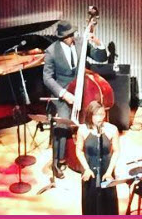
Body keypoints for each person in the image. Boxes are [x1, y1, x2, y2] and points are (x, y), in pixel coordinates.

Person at [43, 20, 108, 178]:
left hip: (82, 90)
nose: (71, 38)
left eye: (72, 35)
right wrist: (64, 94)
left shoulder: (81, 43)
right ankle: (57, 161)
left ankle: (92, 153)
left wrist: (99, 45)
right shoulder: (51, 51)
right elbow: (47, 78)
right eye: (68, 36)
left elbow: (101, 58)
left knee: (92, 116)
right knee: (64, 122)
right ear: (61, 37)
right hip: (63, 94)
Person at [75, 100, 120, 215]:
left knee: (108, 201)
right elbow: (79, 150)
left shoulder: (112, 129)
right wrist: (86, 169)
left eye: (102, 114)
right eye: (96, 115)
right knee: (90, 201)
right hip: (89, 167)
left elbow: (116, 151)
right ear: (90, 115)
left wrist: (109, 172)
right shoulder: (83, 129)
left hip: (106, 167)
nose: (100, 117)